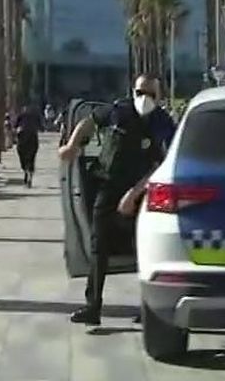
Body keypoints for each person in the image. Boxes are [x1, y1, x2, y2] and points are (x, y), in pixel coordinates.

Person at [58, 75, 176, 326]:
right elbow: (88, 123)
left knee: (144, 250)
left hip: (142, 191)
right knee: (98, 245)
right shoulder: (118, 110)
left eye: (151, 94)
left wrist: (134, 194)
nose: (145, 99)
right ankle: (93, 307)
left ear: (159, 97)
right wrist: (71, 146)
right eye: (140, 92)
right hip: (108, 185)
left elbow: (164, 163)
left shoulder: (162, 122)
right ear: (133, 91)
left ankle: (149, 308)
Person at [14, 102, 43, 188]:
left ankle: (28, 174)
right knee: (27, 157)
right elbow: (41, 127)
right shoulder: (21, 116)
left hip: (28, 138)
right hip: (25, 138)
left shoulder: (33, 116)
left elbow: (15, 126)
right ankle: (28, 173)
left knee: (28, 158)